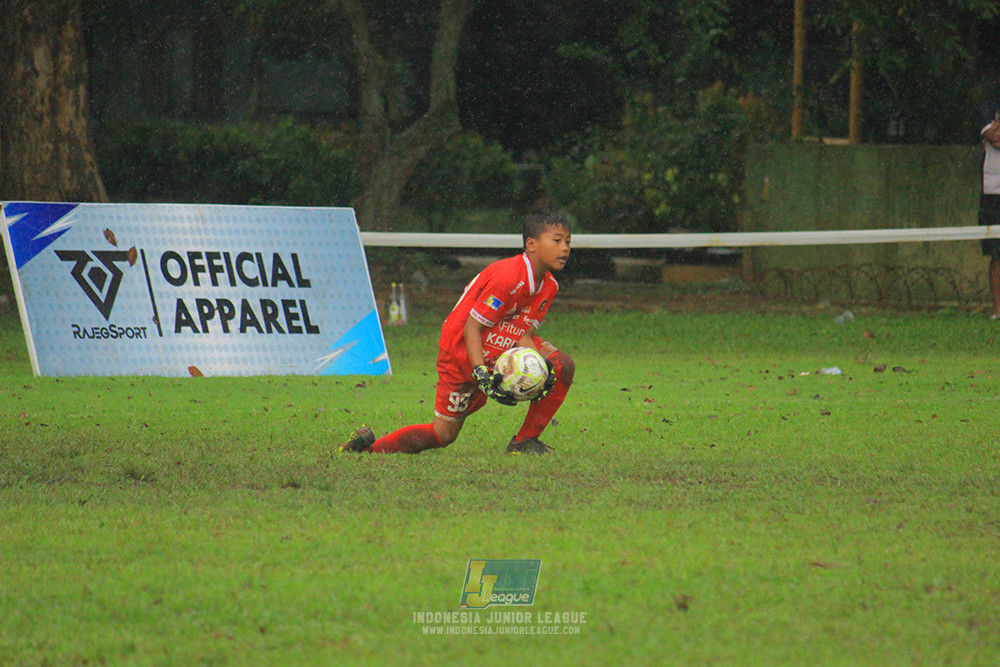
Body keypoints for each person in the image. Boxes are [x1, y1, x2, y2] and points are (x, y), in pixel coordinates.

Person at [337, 211, 575, 454]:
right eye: (556, 240)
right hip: (462, 351)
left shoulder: (549, 286)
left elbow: (522, 332)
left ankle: (524, 442)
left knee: (561, 364)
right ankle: (367, 450)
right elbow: (472, 327)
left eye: (567, 241)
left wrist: (538, 371)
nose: (564, 248)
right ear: (531, 245)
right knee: (443, 434)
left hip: (501, 343)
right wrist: (481, 372)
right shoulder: (507, 277)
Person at [977, 87, 1000, 317]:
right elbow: (996, 140)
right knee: (998, 254)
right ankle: (998, 310)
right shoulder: (987, 107)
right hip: (994, 192)